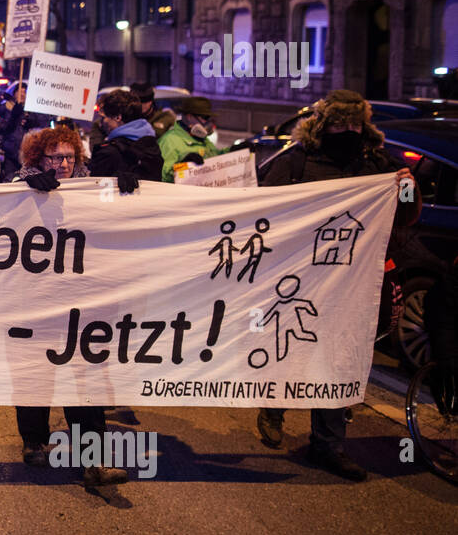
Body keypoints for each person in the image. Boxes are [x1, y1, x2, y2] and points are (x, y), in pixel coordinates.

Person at [256, 89, 419, 481]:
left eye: (355, 124)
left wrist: (407, 186)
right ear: (323, 125)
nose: (348, 131)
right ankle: (274, 406)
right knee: (291, 346)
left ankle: (328, 444)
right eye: (339, 124)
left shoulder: (377, 165)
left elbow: (407, 215)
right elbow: (262, 210)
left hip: (352, 284)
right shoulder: (297, 162)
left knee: (337, 357)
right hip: (301, 279)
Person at [7, 127, 129, 485]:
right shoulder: (19, 186)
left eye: (69, 158)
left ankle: (94, 459)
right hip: (33, 301)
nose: (62, 164)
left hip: (81, 302)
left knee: (87, 376)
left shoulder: (91, 190)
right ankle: (34, 441)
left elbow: (115, 225)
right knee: (35, 373)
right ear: (37, 159)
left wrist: (128, 192)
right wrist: (30, 189)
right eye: (54, 157)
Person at [87, 89, 163, 190]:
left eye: (104, 118)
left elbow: (91, 191)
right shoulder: (152, 146)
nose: (102, 123)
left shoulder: (109, 152)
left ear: (118, 117)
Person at [157, 96, 220, 182]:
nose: (208, 122)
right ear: (190, 117)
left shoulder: (202, 140)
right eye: (205, 118)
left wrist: (233, 150)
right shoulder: (170, 141)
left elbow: (217, 157)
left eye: (209, 118)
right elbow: (163, 176)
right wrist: (183, 165)